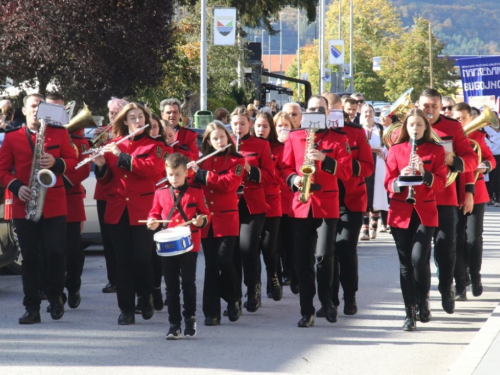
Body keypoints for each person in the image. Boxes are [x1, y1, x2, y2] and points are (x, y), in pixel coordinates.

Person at [0, 94, 78, 324]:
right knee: (31, 258)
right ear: (24, 111)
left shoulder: (60, 133)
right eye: (32, 106)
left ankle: (55, 298)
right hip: (25, 203)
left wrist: (56, 163)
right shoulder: (12, 138)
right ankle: (31, 307)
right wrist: (16, 187)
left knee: (55, 253)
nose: (36, 110)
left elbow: (73, 162)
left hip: (54, 203)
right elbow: (2, 171)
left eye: (39, 106)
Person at [281, 95, 353, 327]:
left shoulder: (338, 138)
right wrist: (294, 180)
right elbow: (284, 167)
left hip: (327, 205)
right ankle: (307, 310)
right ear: (305, 113)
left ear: (326, 113)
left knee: (323, 257)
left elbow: (346, 172)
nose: (315, 112)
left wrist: (324, 158)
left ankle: (328, 302)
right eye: (311, 109)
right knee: (302, 262)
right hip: (301, 205)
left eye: (319, 109)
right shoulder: (294, 136)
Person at [93, 102, 166, 325]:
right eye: (132, 117)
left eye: (140, 117)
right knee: (122, 261)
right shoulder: (114, 144)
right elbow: (106, 181)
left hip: (144, 210)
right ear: (125, 121)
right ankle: (125, 309)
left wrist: (121, 156)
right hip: (118, 210)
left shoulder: (156, 147)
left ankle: (146, 296)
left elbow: (149, 170)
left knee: (142, 258)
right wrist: (101, 166)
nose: (137, 121)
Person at [384, 108, 448, 331]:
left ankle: (424, 300)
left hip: (425, 212)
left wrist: (424, 173)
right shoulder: (396, 149)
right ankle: (409, 313)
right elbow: (388, 183)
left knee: (419, 260)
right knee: (405, 265)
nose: (415, 128)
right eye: (411, 125)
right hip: (400, 212)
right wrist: (401, 177)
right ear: (406, 127)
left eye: (419, 125)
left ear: (425, 127)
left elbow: (441, 183)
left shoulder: (436, 151)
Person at [418, 88, 477, 315]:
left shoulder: (452, 127)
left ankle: (446, 288)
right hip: (417, 201)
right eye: (426, 106)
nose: (430, 110)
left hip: (444, 197)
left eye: (434, 106)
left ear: (441, 106)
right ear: (418, 105)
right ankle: (422, 299)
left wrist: (455, 160)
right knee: (419, 254)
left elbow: (472, 158)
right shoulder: (412, 125)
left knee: (446, 250)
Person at [317, 93, 374, 318]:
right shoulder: (313, 134)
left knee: (345, 249)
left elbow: (368, 167)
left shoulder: (356, 132)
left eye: (332, 111)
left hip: (350, 199)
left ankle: (350, 296)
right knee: (326, 252)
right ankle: (329, 299)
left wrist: (346, 165)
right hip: (323, 200)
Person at [148, 153, 210, 339]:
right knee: (171, 286)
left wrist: (200, 221)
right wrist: (152, 222)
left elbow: (205, 214)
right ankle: (174, 324)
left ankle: (190, 319)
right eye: (170, 174)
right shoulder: (159, 193)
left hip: (190, 243)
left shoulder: (196, 192)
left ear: (186, 173)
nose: (173, 178)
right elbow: (154, 213)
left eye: (178, 174)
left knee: (188, 283)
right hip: (168, 244)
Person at [188, 122, 244, 326]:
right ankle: (211, 312)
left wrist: (200, 174)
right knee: (211, 265)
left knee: (224, 261)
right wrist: (187, 174)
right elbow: (192, 187)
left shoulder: (237, 159)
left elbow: (227, 184)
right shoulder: (202, 161)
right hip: (206, 220)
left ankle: (233, 298)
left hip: (227, 218)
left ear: (228, 138)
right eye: (215, 139)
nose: (219, 141)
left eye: (222, 137)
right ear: (209, 142)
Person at [46, 92, 90, 311]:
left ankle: (73, 286)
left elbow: (84, 168)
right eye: (51, 107)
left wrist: (60, 180)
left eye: (60, 109)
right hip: (47, 200)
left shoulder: (78, 139)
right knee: (52, 249)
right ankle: (53, 291)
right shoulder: (38, 136)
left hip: (70, 199)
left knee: (73, 251)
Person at [230, 106, 275, 313]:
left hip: (253, 203)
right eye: (235, 123)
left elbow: (269, 176)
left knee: (248, 249)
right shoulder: (224, 143)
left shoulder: (261, 145)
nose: (238, 127)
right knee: (232, 253)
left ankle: (253, 287)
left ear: (249, 124)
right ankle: (234, 297)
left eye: (242, 123)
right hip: (228, 204)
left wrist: (250, 168)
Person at [452, 103, 495, 301]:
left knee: (473, 238)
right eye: (456, 118)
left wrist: (485, 165)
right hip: (453, 191)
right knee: (456, 239)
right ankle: (460, 284)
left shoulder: (477, 136)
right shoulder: (447, 137)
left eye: (462, 118)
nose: (459, 121)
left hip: (475, 192)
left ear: (470, 119)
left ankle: (475, 277)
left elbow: (490, 158)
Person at [96, 97, 128, 294]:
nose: (113, 116)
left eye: (117, 113)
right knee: (107, 239)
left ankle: (124, 276)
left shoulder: (126, 135)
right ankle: (112, 278)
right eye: (111, 113)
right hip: (104, 191)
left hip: (121, 192)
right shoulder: (103, 133)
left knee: (122, 240)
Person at [251, 112, 284, 301]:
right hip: (252, 202)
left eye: (265, 126)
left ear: (270, 129)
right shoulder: (249, 146)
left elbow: (280, 175)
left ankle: (273, 276)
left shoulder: (278, 148)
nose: (261, 130)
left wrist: (266, 172)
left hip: (272, 201)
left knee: (269, 246)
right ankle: (254, 286)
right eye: (258, 126)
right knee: (252, 247)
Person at [273, 112, 298, 291]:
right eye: (279, 126)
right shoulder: (271, 147)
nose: (283, 129)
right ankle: (282, 273)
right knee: (278, 241)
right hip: (275, 199)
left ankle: (292, 271)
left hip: (291, 197)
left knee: (292, 240)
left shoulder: (295, 145)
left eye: (286, 126)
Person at [359, 103, 389, 240]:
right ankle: (364, 229)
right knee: (365, 192)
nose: (368, 114)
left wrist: (384, 153)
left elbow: (389, 146)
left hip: (379, 163)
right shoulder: (359, 130)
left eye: (370, 112)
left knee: (377, 194)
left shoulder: (382, 129)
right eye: (365, 112)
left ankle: (374, 227)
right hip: (365, 163)